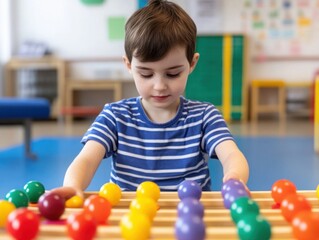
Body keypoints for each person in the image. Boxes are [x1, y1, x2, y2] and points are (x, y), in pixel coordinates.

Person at [53, 0, 249, 199]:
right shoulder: (115, 116)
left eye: (172, 74)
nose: (159, 86)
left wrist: (234, 177)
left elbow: (231, 154)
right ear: (128, 65)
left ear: (192, 63)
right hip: (131, 220)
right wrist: (73, 185)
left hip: (189, 218)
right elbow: (87, 159)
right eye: (146, 74)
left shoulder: (204, 117)